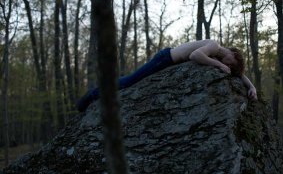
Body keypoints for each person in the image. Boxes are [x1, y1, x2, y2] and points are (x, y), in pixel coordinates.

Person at [77, 39, 257, 112]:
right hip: (165, 59)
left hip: (168, 61)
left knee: (130, 82)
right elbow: (195, 56)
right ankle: (92, 95)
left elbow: (239, 75)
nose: (227, 65)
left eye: (229, 66)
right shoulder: (214, 46)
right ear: (233, 54)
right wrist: (218, 64)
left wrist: (251, 86)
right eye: (230, 62)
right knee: (129, 82)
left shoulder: (220, 54)